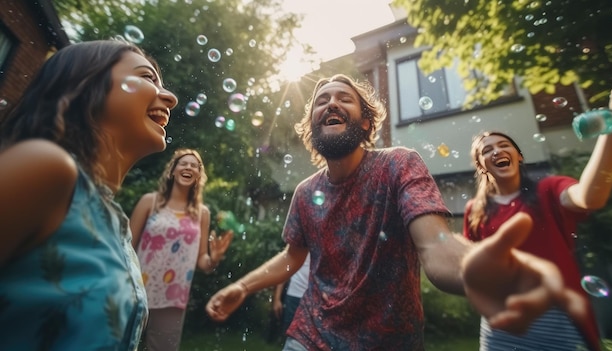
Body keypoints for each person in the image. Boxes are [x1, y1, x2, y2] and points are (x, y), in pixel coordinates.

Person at [205, 74, 588, 351]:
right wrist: (243, 285)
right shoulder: (305, 193)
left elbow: (434, 242)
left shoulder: (398, 165)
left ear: (366, 122)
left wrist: (471, 269)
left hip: (389, 341)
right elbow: (293, 256)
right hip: (312, 334)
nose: (331, 102)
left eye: (344, 97)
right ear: (313, 126)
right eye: (322, 100)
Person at [0, 39, 178, 350]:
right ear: (87, 84)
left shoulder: (110, 220)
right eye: (147, 77)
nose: (171, 97)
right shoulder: (46, 167)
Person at [464, 70, 612, 351]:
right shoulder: (474, 211)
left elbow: (590, 196)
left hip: (558, 320)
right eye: (486, 150)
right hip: (500, 325)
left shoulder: (548, 190)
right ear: (481, 166)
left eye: (504, 145)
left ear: (519, 156)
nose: (497, 151)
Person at [129, 148, 234, 351]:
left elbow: (202, 260)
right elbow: (126, 247)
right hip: (135, 289)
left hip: (172, 296)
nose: (188, 167)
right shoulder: (150, 202)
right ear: (172, 170)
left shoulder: (201, 214)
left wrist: (214, 258)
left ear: (198, 176)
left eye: (194, 165)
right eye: (183, 163)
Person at [271, 254, 310, 340]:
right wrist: (277, 299)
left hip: (312, 298)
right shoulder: (298, 244)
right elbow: (286, 269)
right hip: (294, 296)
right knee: (289, 334)